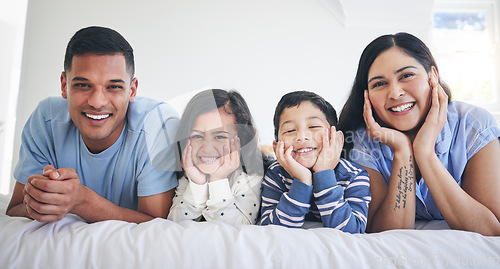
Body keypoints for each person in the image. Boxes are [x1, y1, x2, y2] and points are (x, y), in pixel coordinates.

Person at [6, 26, 180, 224]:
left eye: (113, 87)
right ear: (64, 85)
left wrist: (82, 202)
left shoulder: (158, 126)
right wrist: (42, 200)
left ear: (132, 90)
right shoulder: (45, 121)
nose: (97, 102)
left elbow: (158, 226)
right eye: (83, 85)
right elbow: (14, 210)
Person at [338, 32, 500, 235]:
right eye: (379, 84)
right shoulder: (363, 141)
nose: (395, 93)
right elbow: (388, 233)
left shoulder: (473, 125)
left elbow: (492, 230)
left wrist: (424, 153)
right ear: (367, 96)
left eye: (406, 75)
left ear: (432, 76)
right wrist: (402, 151)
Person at [259, 90, 370, 232]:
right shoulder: (276, 174)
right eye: (289, 130)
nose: (301, 136)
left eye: (313, 127)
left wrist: (324, 174)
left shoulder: (354, 175)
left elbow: (352, 232)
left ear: (337, 139)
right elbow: (270, 231)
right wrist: (302, 181)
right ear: (276, 147)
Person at [167, 89, 263, 224]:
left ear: (242, 140)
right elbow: (174, 224)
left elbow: (239, 228)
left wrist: (218, 180)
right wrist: (197, 184)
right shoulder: (189, 174)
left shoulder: (249, 177)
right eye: (197, 136)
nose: (207, 147)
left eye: (220, 136)